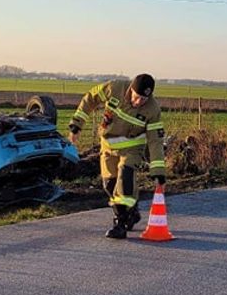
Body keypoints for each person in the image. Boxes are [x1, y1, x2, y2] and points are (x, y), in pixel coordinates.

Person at [68, 74, 167, 239]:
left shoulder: (153, 110)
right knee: (109, 185)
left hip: (132, 149)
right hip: (108, 146)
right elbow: (90, 98)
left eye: (144, 99)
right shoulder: (114, 88)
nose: (139, 102)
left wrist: (158, 172)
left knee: (124, 179)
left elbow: (155, 141)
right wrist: (77, 125)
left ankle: (120, 223)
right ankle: (132, 211)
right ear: (130, 90)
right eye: (137, 97)